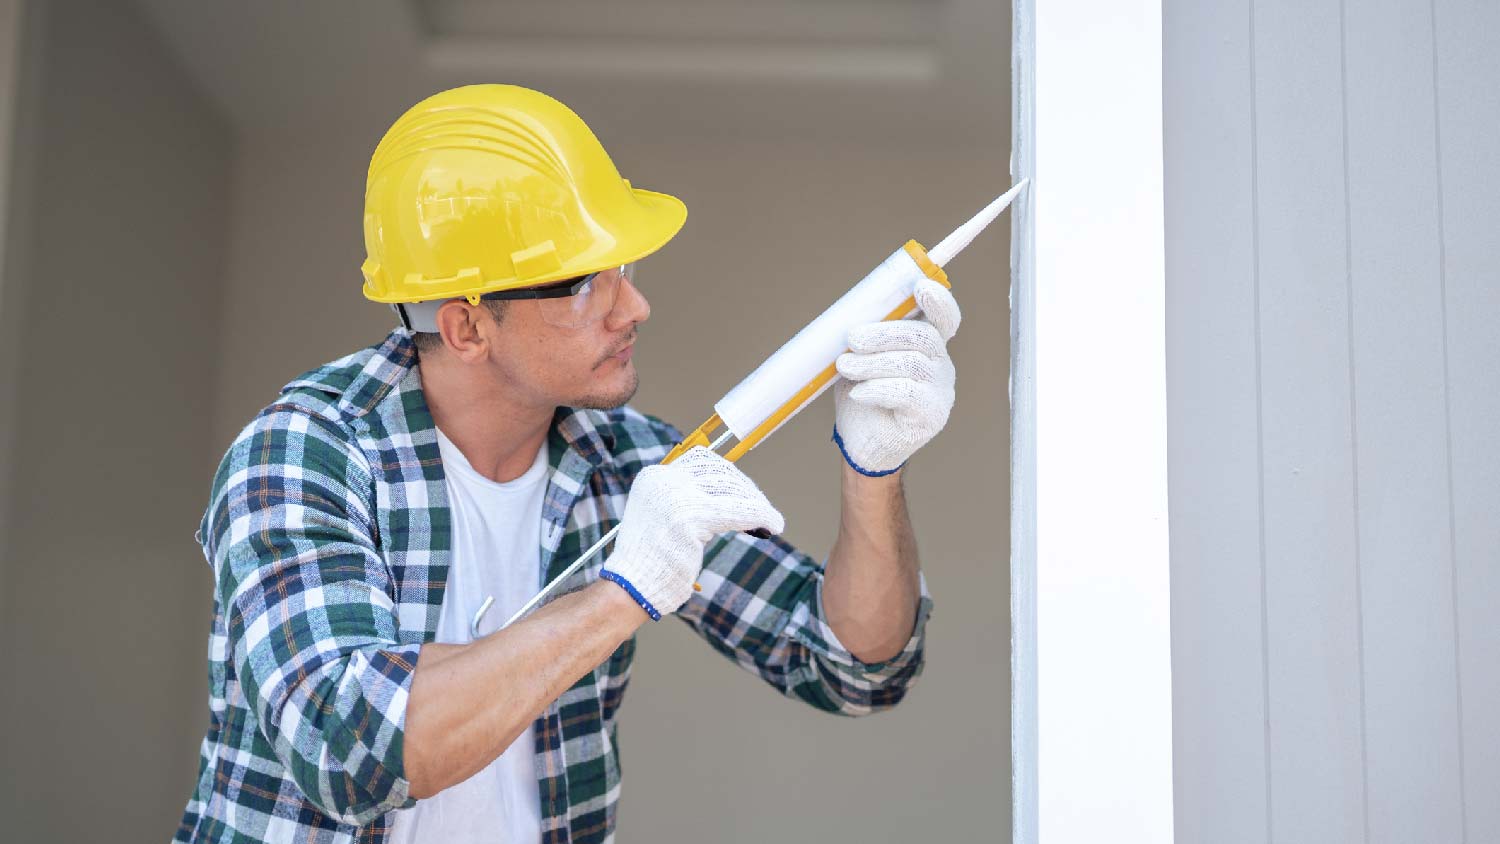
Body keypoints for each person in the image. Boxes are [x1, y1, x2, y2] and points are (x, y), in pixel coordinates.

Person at [175, 84, 961, 844]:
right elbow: (349, 751)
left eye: (624, 270)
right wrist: (623, 594)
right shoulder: (304, 454)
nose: (634, 307)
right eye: (588, 283)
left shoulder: (625, 464)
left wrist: (873, 470)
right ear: (467, 328)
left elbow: (852, 666)